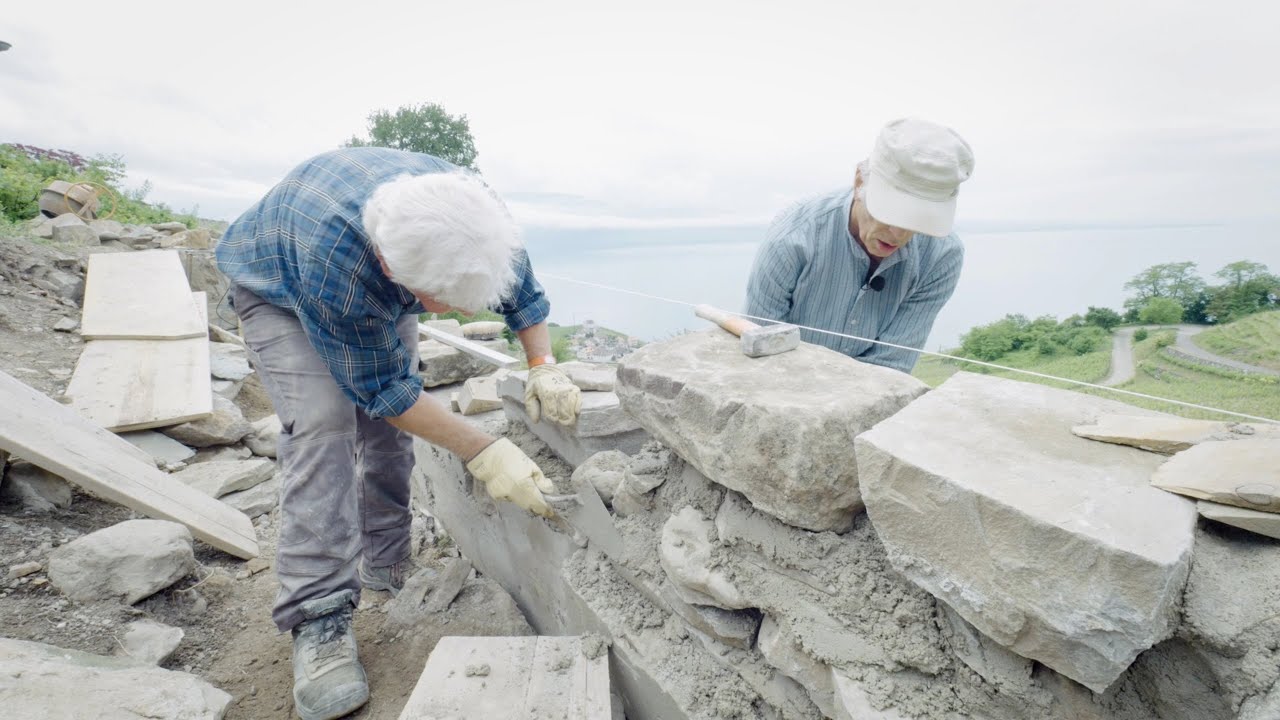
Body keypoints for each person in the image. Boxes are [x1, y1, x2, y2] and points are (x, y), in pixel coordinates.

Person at [215, 147, 582, 720]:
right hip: (280, 290)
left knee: (390, 438)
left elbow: (520, 292)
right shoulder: (336, 260)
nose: (445, 313)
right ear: (392, 268)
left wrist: (543, 365)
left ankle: (386, 560)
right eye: (435, 303)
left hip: (370, 272)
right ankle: (319, 614)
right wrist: (483, 450)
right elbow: (383, 393)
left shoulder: (472, 219)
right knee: (324, 424)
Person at [744, 117, 975, 373]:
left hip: (871, 396)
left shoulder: (943, 255)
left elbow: (891, 365)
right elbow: (763, 342)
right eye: (890, 212)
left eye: (918, 221)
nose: (898, 234)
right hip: (781, 381)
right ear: (859, 182)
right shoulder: (794, 234)